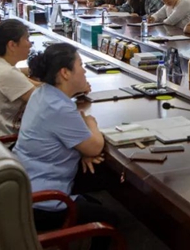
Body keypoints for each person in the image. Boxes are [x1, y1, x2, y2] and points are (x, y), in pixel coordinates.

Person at [14, 43, 119, 248]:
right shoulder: (58, 107)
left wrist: (83, 149)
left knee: (100, 187)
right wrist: (91, 123)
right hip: (42, 202)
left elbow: (82, 143)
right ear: (65, 73)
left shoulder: (43, 94)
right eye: (80, 65)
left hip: (25, 185)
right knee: (109, 220)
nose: (84, 70)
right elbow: (95, 146)